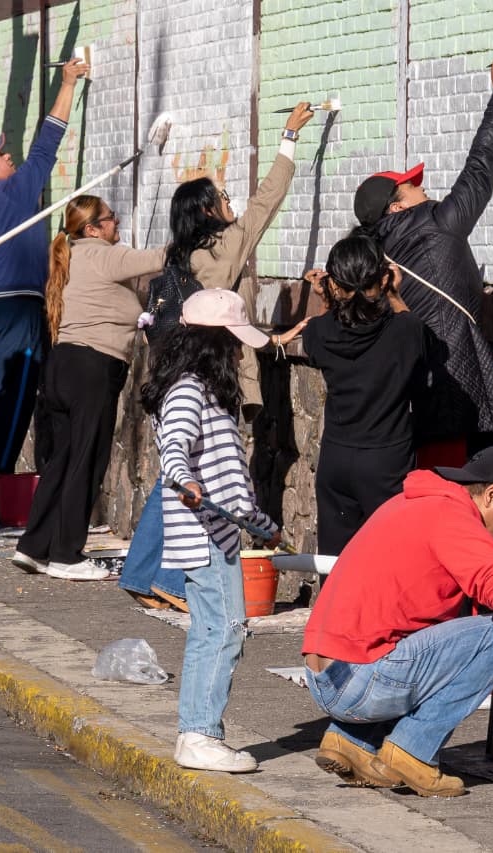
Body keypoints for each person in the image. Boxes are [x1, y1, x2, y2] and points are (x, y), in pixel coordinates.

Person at [117, 103, 313, 611]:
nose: (231, 204)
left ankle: (143, 573)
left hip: (172, 366)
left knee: (175, 470)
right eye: (223, 198)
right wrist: (288, 136)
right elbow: (266, 203)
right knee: (200, 475)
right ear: (207, 210)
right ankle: (172, 580)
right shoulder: (223, 245)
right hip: (209, 369)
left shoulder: (177, 254)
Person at [300, 446, 493, 796]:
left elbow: (449, 652)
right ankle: (413, 751)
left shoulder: (413, 503)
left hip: (324, 677)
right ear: (492, 494)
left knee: (422, 639)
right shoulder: (456, 519)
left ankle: (351, 741)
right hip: (362, 682)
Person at [352, 55, 493, 469]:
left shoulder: (372, 255)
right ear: (395, 209)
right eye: (411, 187)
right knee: (451, 491)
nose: (422, 186)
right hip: (452, 388)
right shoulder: (436, 225)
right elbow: (481, 168)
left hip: (406, 397)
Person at [144, 289, 280, 773]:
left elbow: (231, 485)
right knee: (222, 631)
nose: (241, 352)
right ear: (215, 344)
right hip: (204, 534)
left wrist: (264, 529)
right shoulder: (189, 391)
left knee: (214, 630)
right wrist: (185, 481)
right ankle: (200, 733)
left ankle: (198, 731)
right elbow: (176, 449)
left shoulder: (198, 389)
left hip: (217, 531)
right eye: (235, 343)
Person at [0, 57, 89, 525]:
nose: (7, 154)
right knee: (15, 402)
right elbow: (48, 142)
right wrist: (68, 82)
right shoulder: (11, 193)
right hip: (17, 311)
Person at [11, 195, 165, 581]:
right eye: (111, 219)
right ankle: (66, 554)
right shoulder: (104, 254)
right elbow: (160, 258)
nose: (117, 225)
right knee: (87, 460)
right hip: (92, 368)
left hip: (61, 364)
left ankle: (33, 546)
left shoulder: (72, 255)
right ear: (92, 228)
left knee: (61, 461)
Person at [301, 233, 427, 555]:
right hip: (387, 460)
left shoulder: (318, 332)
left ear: (334, 284)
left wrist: (327, 302)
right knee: (390, 555)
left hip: (337, 459)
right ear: (383, 279)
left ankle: (336, 607)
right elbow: (420, 342)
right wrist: (395, 294)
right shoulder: (405, 331)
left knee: (336, 558)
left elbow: (321, 336)